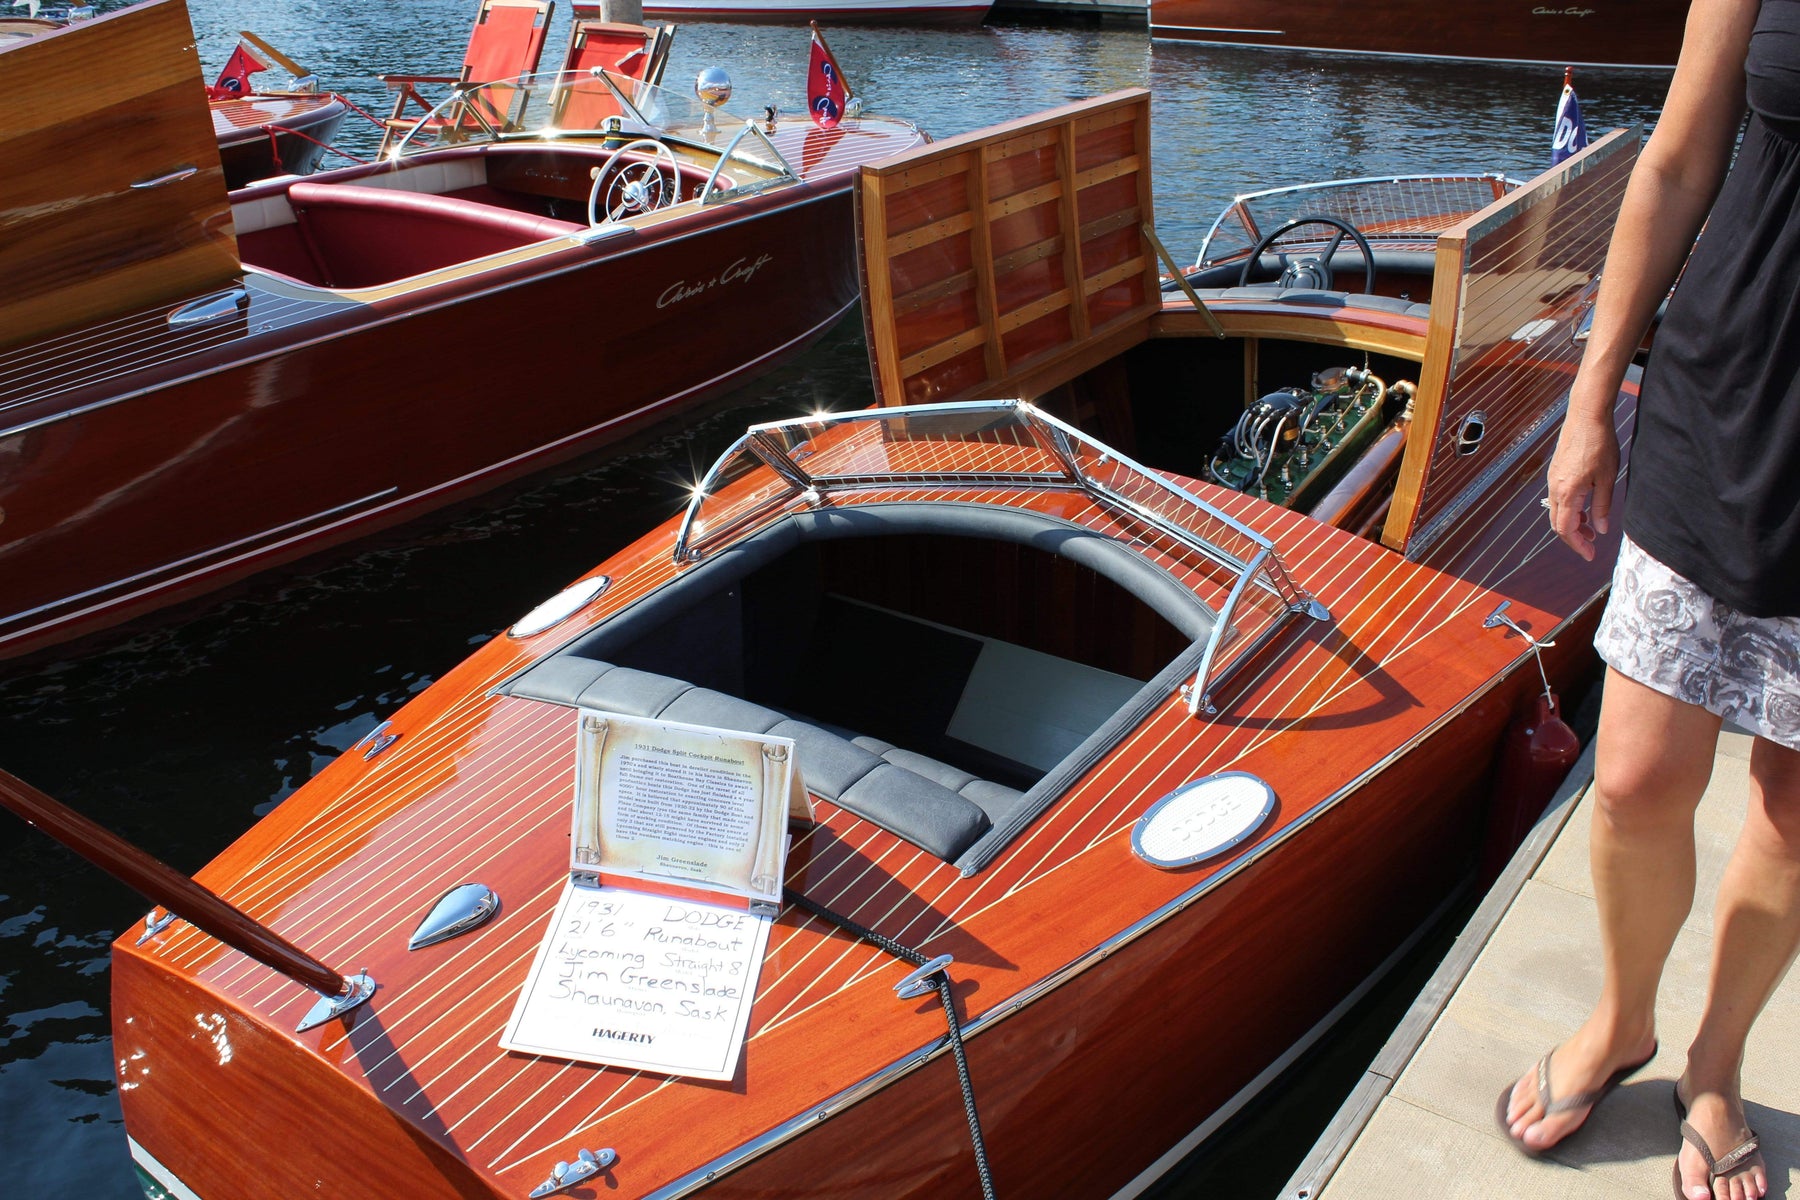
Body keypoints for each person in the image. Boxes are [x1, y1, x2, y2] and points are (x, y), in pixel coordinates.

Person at [1497, 3, 1800, 1199]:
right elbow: (1674, 162)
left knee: (1792, 798)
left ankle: (1714, 1067)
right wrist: (1588, 404)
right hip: (1719, 396)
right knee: (1630, 779)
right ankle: (1625, 1020)